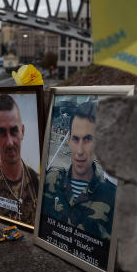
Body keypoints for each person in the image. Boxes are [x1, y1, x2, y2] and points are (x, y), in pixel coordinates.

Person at [41, 101, 116, 240]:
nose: (80, 151)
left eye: (88, 139)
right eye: (76, 139)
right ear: (69, 140)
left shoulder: (112, 197)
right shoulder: (50, 180)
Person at [0, 94, 39, 226]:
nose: (9, 142)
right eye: (2, 132)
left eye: (14, 131)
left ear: (22, 131)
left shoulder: (38, 183)